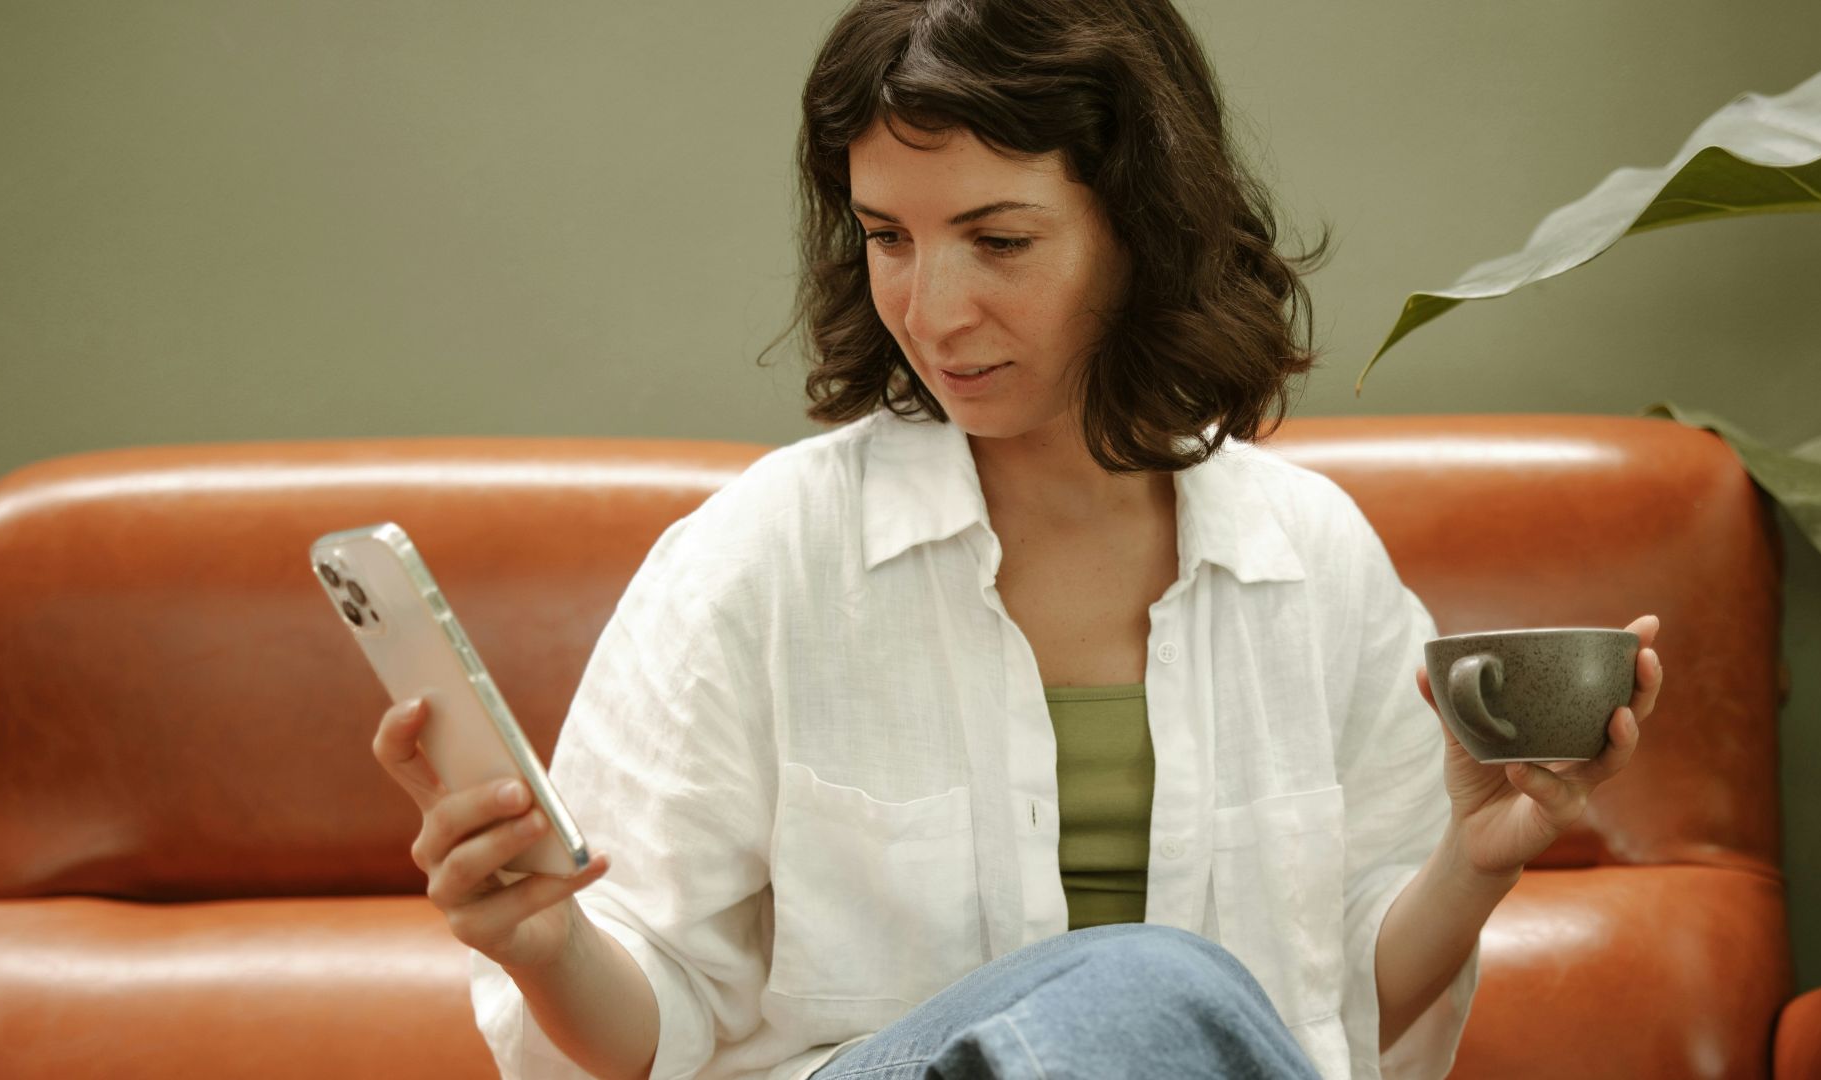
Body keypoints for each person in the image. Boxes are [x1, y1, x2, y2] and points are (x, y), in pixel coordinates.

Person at [370, 1, 1666, 1078]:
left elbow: (1324, 1024)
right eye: (888, 238)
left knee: (1166, 1008)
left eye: (996, 240)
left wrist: (1475, 865)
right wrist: (541, 942)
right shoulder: (760, 560)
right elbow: (655, 1025)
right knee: (1143, 986)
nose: (930, 310)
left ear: (1135, 229)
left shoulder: (1309, 558)